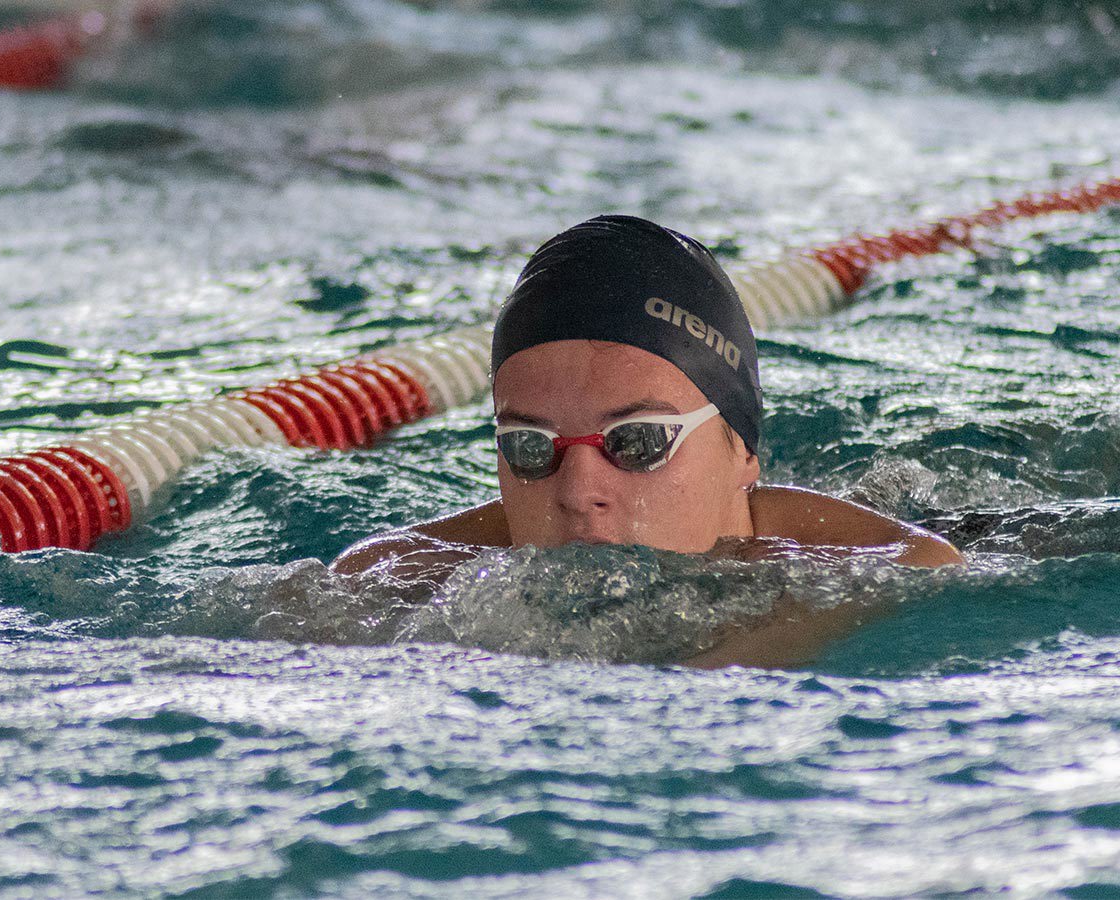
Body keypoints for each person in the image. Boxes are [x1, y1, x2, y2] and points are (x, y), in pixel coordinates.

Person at [331, 214, 963, 668]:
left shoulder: (879, 572)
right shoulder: (400, 577)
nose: (578, 491)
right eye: (530, 446)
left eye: (638, 442)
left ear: (742, 450)